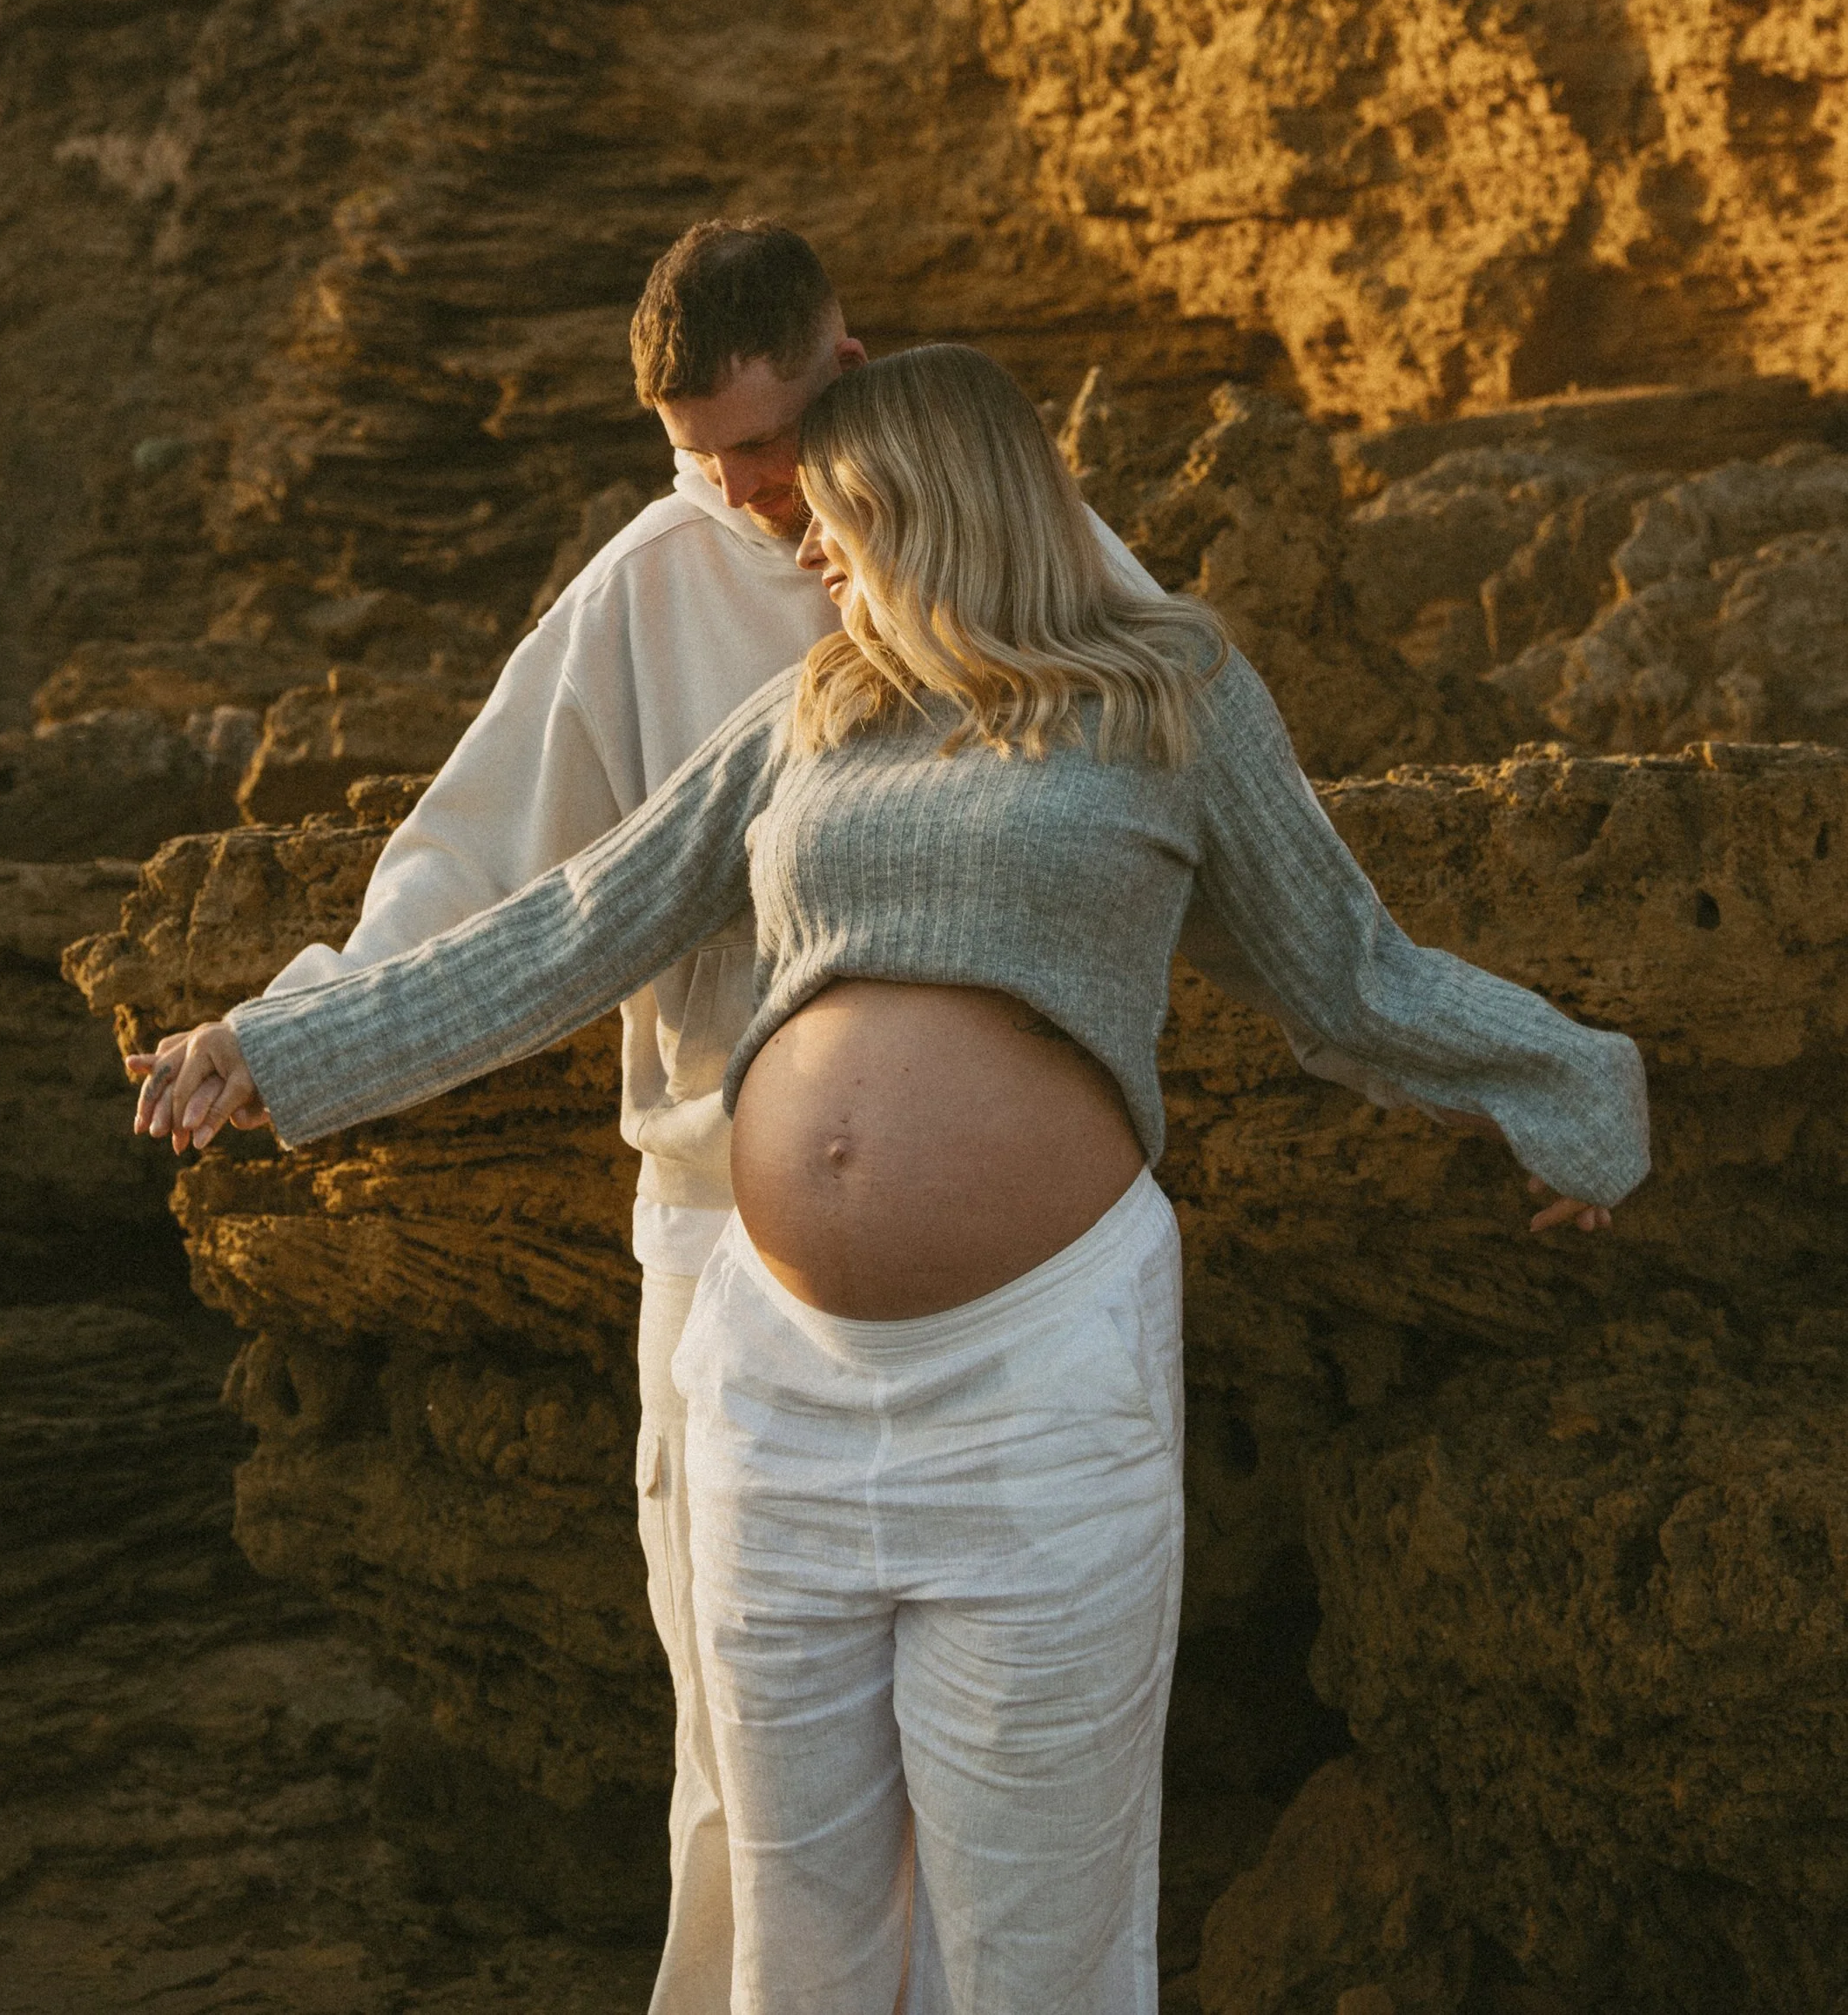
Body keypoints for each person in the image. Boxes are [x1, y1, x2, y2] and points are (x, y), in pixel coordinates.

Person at [143, 345, 1648, 2015]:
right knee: (804, 1943)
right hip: (775, 1383)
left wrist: (1571, 1098)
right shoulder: (808, 709)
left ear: (934, 500)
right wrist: (282, 1045)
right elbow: (571, 928)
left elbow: (1348, 969)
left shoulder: (1168, 691)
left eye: (835, 511)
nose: (803, 554)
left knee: (1038, 1941)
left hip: (1041, 1380)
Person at [135, 218, 1166, 2014]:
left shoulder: (1038, 556)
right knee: (746, 1780)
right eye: (696, 457)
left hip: (1023, 1301)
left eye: (762, 452)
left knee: (1019, 1797)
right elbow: (494, 882)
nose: (741, 497)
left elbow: (1206, 811)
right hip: (723, 1253)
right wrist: (285, 1032)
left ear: (848, 378)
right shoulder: (645, 580)